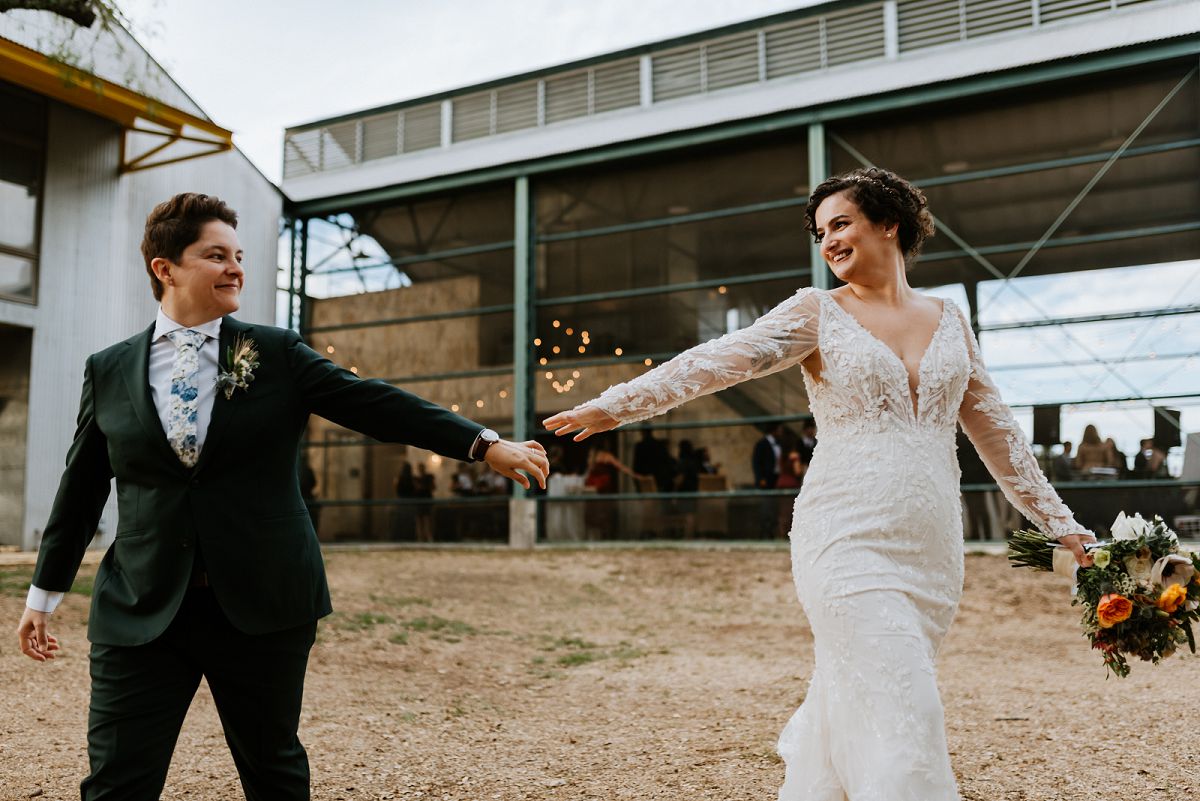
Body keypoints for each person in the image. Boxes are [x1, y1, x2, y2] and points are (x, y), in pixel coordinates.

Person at [545, 167, 1094, 800]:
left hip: (932, 548)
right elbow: (715, 362)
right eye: (820, 231)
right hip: (844, 536)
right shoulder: (817, 313)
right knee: (905, 706)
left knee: (866, 699)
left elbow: (1000, 439)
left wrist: (1063, 526)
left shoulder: (951, 320)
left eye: (841, 224)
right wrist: (615, 406)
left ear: (889, 223)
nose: (828, 241)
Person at [13, 193, 549, 801]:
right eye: (216, 255)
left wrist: (481, 442)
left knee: (273, 773)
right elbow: (82, 488)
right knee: (116, 782)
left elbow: (374, 402)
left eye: (239, 255)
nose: (236, 267)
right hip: (142, 606)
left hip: (263, 605)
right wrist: (44, 594)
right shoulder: (107, 370)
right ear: (165, 268)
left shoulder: (275, 353)